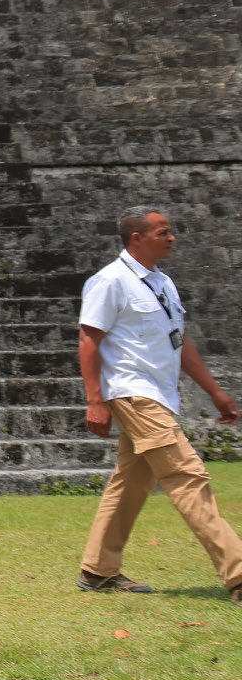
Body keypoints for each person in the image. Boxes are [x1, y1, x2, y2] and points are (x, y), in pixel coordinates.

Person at [76, 207, 242, 600]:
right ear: (137, 237)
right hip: (134, 394)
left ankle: (98, 570)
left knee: (131, 482)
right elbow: (88, 339)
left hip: (159, 395)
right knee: (187, 475)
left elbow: (179, 341)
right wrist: (95, 400)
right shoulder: (110, 281)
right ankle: (238, 574)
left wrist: (215, 392)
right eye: (164, 232)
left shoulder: (163, 283)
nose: (172, 238)